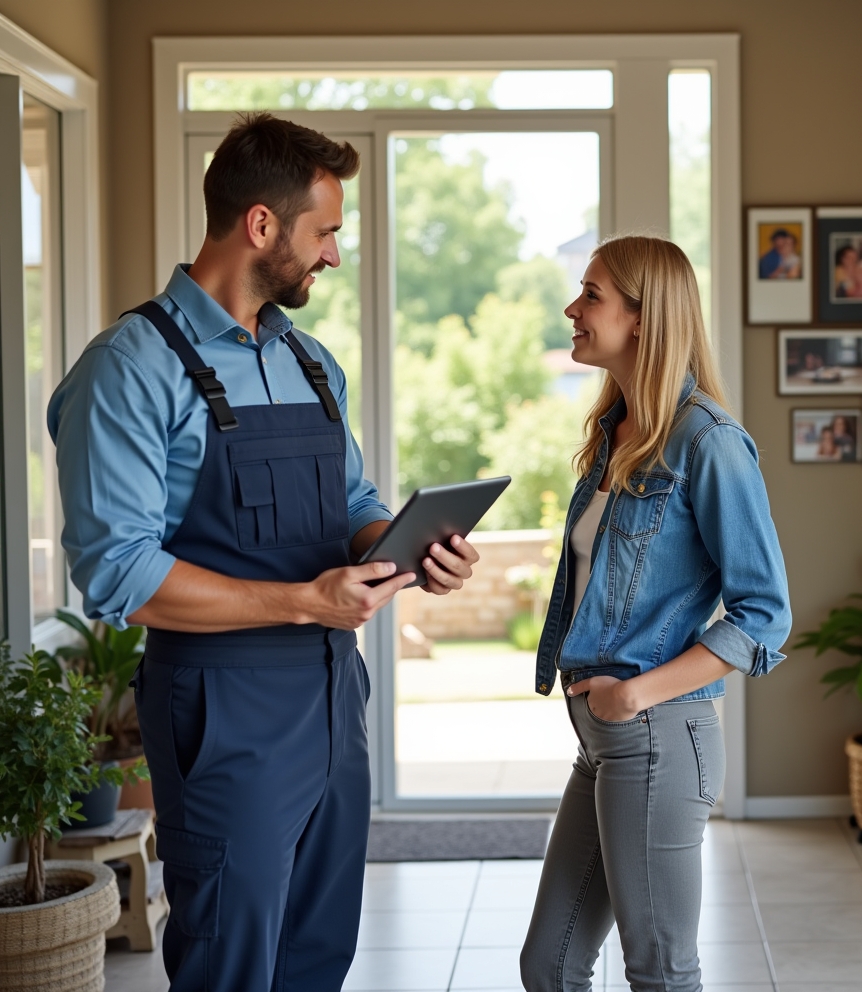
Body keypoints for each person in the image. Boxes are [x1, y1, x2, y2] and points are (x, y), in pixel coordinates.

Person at [47, 113, 479, 992]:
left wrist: (404, 546)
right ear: (261, 225)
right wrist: (304, 601)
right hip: (221, 709)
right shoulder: (129, 369)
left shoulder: (311, 360)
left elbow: (351, 501)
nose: (332, 254)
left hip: (329, 694)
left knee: (319, 949)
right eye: (325, 232)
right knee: (230, 959)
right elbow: (118, 571)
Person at [520, 236, 791, 992]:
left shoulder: (708, 441)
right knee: (549, 964)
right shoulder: (615, 434)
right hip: (603, 739)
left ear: (644, 317)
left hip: (658, 736)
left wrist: (635, 693)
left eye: (592, 295)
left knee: (661, 971)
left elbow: (764, 614)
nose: (573, 309)